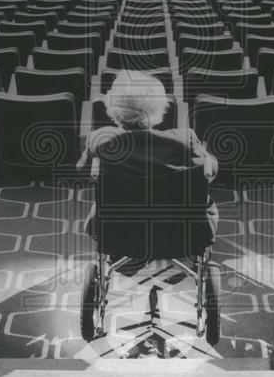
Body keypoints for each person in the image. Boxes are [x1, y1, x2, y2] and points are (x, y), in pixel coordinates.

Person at [77, 71, 220, 256]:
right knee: (206, 203)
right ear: (160, 108)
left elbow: (82, 171)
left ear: (112, 107)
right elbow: (210, 172)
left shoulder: (100, 139)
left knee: (102, 203)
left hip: (119, 228)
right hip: (177, 228)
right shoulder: (185, 139)